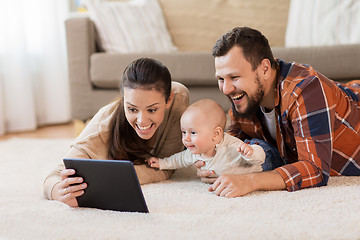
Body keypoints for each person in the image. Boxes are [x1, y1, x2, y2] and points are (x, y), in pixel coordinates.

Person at [196, 26, 360, 198]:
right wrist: (213, 162)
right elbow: (230, 142)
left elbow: (315, 169)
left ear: (265, 69)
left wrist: (251, 181)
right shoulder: (244, 97)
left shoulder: (306, 90)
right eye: (220, 79)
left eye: (234, 77)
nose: (226, 89)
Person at [43, 58, 190, 207]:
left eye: (152, 110)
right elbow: (53, 176)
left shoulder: (178, 99)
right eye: (132, 109)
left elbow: (167, 167)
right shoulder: (101, 131)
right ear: (124, 99)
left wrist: (115, 178)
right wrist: (57, 191)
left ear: (168, 100)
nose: (142, 120)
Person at [147, 99, 283, 176]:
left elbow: (260, 158)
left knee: (277, 158)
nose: (186, 139)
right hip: (243, 166)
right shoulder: (195, 153)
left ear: (216, 134)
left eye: (192, 133)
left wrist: (250, 152)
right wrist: (162, 163)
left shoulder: (230, 146)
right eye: (183, 132)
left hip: (263, 159)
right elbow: (179, 159)